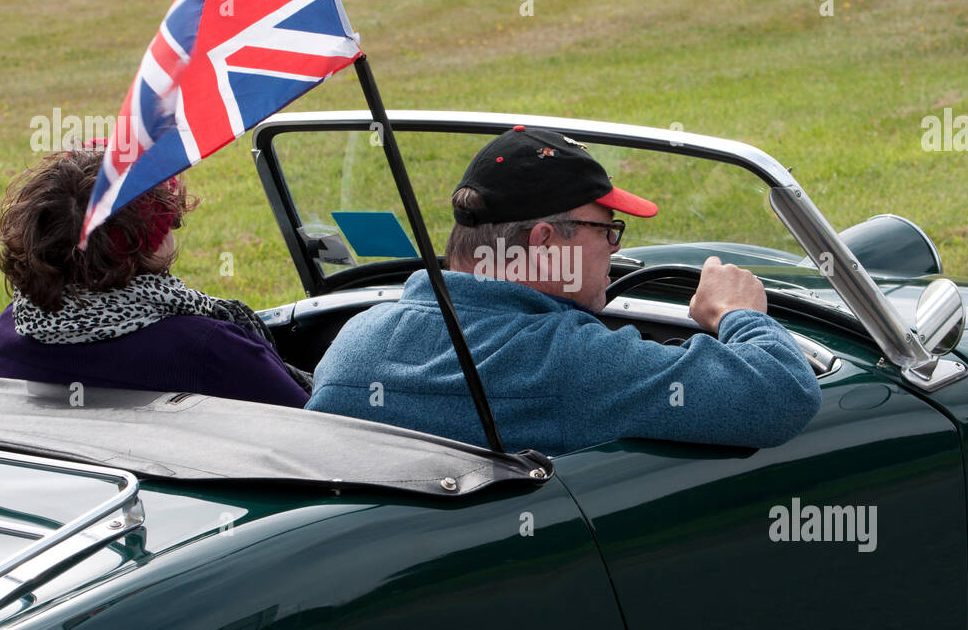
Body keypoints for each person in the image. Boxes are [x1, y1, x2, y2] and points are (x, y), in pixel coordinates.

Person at [308, 126, 823, 454]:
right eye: (608, 231)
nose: (615, 253)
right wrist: (738, 313)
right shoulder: (564, 361)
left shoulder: (357, 338)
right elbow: (781, 394)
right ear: (544, 241)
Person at [0, 146, 311, 408]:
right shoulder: (208, 348)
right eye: (170, 221)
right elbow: (320, 428)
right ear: (144, 249)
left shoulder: (13, 333)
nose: (174, 228)